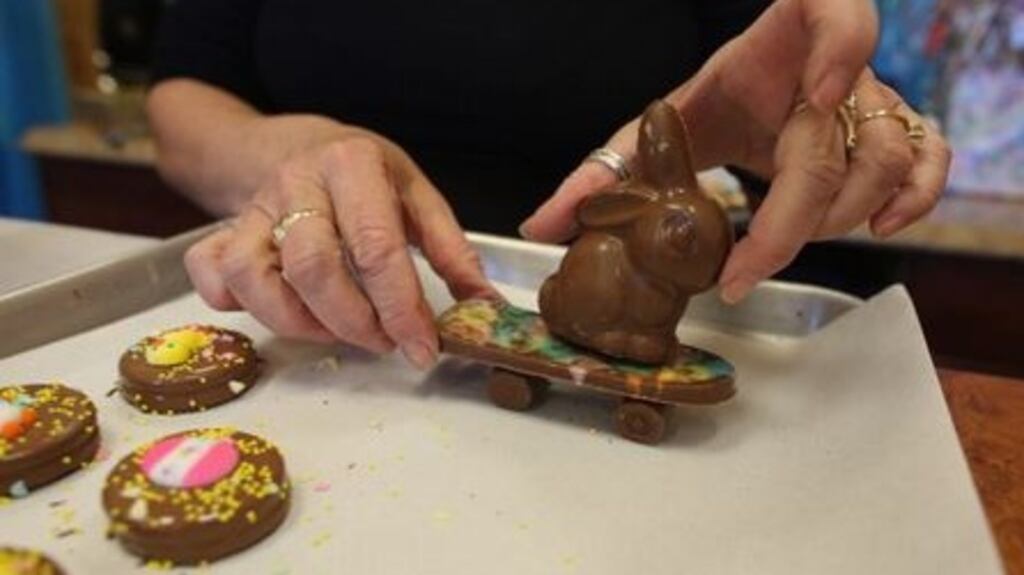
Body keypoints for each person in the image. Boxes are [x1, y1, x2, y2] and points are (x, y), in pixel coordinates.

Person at [147, 0, 951, 370]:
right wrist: (305, 154)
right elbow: (181, 98)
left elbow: (771, 74)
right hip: (318, 324)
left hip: (569, 280)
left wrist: (835, 114)